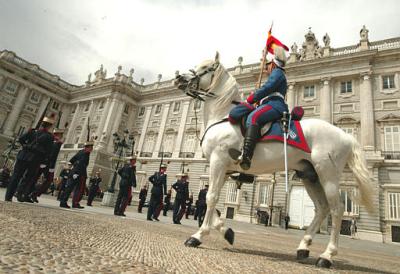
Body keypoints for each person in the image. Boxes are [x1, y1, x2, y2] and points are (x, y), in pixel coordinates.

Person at [228, 46, 288, 170]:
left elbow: (268, 88)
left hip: (275, 105)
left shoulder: (277, 72)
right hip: (269, 103)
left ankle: (247, 156)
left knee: (253, 117)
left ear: (273, 64)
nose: (266, 68)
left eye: (267, 65)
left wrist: (251, 99)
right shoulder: (277, 73)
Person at [5, 116, 54, 202]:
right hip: (35, 159)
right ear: (49, 126)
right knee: (28, 178)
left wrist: (25, 146)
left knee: (15, 176)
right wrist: (45, 161)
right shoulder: (49, 136)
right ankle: (20, 194)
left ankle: (8, 196)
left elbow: (21, 139)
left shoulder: (32, 131)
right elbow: (48, 151)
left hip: (23, 155)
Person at [30, 127, 65, 203]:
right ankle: (31, 193)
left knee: (43, 180)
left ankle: (34, 193)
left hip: (46, 163)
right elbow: (51, 155)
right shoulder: (54, 142)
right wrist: (48, 164)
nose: (61, 137)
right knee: (38, 178)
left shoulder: (56, 143)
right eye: (61, 135)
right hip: (46, 163)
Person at [59, 141, 94, 209]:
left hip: (74, 172)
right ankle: (74, 203)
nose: (92, 149)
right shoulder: (85, 153)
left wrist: (73, 170)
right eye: (91, 148)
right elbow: (81, 164)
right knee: (80, 189)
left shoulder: (80, 152)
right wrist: (76, 172)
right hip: (80, 173)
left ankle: (64, 201)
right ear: (88, 148)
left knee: (69, 188)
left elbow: (72, 160)